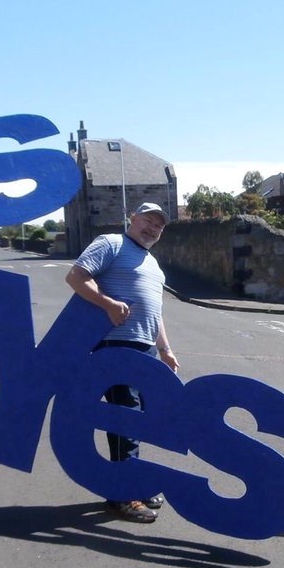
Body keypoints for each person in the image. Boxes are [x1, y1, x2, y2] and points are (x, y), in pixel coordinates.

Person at [65, 202, 180, 523]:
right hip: (116, 346)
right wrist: (108, 303)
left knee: (140, 421)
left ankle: (132, 481)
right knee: (125, 420)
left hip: (146, 351)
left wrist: (166, 350)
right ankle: (122, 494)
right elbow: (76, 276)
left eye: (159, 226)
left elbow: (154, 313)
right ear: (132, 218)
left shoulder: (153, 264)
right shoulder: (111, 243)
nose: (153, 229)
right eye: (148, 221)